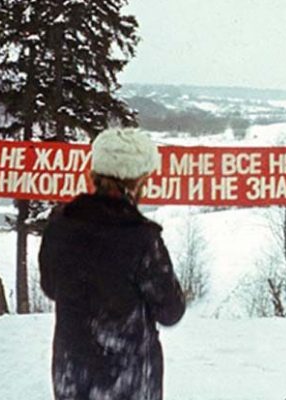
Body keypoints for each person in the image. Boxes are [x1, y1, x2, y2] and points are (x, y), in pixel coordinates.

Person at [40, 128, 186, 400]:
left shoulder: (60, 225)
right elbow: (171, 311)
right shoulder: (143, 238)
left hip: (72, 373)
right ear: (140, 180)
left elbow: (50, 286)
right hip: (129, 377)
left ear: (93, 173)